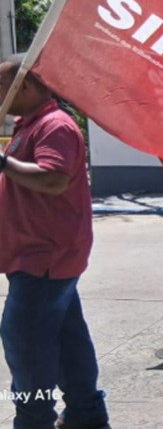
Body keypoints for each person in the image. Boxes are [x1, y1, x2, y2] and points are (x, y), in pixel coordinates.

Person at [0, 54, 109, 428]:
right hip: (39, 257)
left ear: (25, 86)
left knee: (25, 346)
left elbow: (53, 179)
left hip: (44, 258)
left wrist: (2, 163)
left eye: (1, 84)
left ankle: (34, 419)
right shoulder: (30, 124)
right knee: (68, 341)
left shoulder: (54, 126)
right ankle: (86, 415)